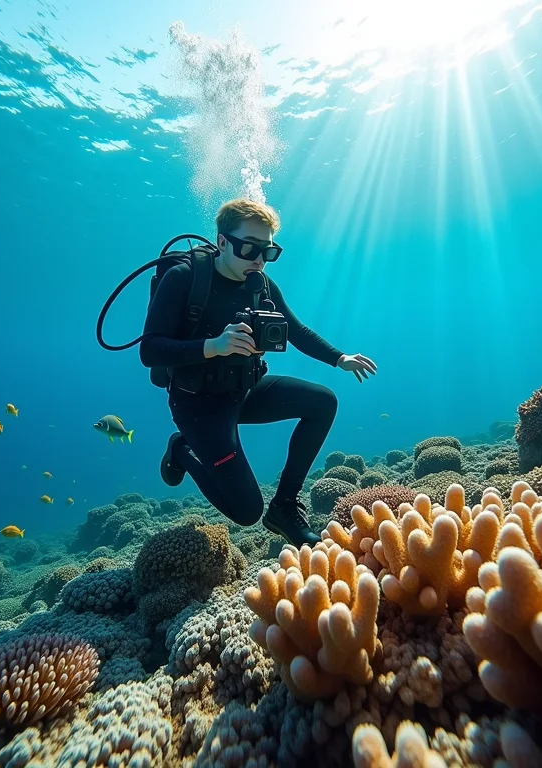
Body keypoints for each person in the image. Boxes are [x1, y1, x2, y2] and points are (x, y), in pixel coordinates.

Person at [139, 199, 377, 546]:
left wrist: (340, 358)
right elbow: (150, 350)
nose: (259, 259)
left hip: (244, 391)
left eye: (268, 251)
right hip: (198, 404)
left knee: (323, 402)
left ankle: (284, 507)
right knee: (246, 511)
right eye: (249, 248)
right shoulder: (184, 279)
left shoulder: (263, 285)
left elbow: (296, 331)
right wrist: (214, 346)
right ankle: (181, 450)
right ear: (222, 242)